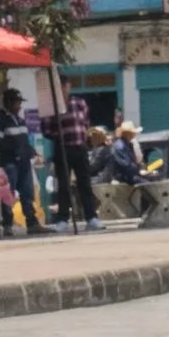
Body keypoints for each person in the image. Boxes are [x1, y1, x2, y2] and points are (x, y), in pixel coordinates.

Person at [45, 78, 104, 232]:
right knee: (63, 185)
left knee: (84, 184)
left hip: (80, 148)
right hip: (63, 149)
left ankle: (91, 217)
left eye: (66, 86)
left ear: (69, 86)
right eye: (61, 86)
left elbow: (85, 124)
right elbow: (46, 129)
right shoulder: (53, 107)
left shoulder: (79, 103)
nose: (64, 89)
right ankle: (63, 219)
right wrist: (59, 134)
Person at [0, 88, 46, 234]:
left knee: (27, 192)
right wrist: (14, 151)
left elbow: (24, 140)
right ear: (8, 102)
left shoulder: (20, 119)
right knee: (8, 194)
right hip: (9, 162)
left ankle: (32, 223)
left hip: (24, 162)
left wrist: (31, 151)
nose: (19, 106)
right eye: (17, 102)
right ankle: (7, 225)